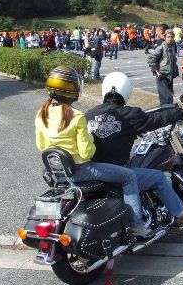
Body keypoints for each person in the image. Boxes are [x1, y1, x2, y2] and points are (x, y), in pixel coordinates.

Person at [35, 66, 149, 238]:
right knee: (129, 176)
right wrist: (90, 138)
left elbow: (42, 145)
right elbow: (86, 153)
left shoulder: (41, 114)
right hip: (82, 170)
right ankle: (137, 225)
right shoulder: (76, 116)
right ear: (71, 90)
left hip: (59, 173)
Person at [86, 72, 183, 230]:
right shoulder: (130, 115)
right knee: (158, 178)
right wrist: (180, 112)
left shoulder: (89, 115)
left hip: (93, 173)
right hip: (117, 174)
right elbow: (156, 119)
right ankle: (180, 214)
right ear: (127, 91)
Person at [147, 29, 179, 105]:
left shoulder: (172, 47)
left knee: (170, 96)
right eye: (168, 37)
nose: (170, 39)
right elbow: (151, 59)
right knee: (165, 97)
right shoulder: (161, 48)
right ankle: (165, 111)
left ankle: (169, 111)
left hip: (169, 76)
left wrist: (175, 71)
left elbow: (173, 61)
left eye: (171, 37)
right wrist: (157, 72)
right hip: (162, 76)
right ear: (165, 37)